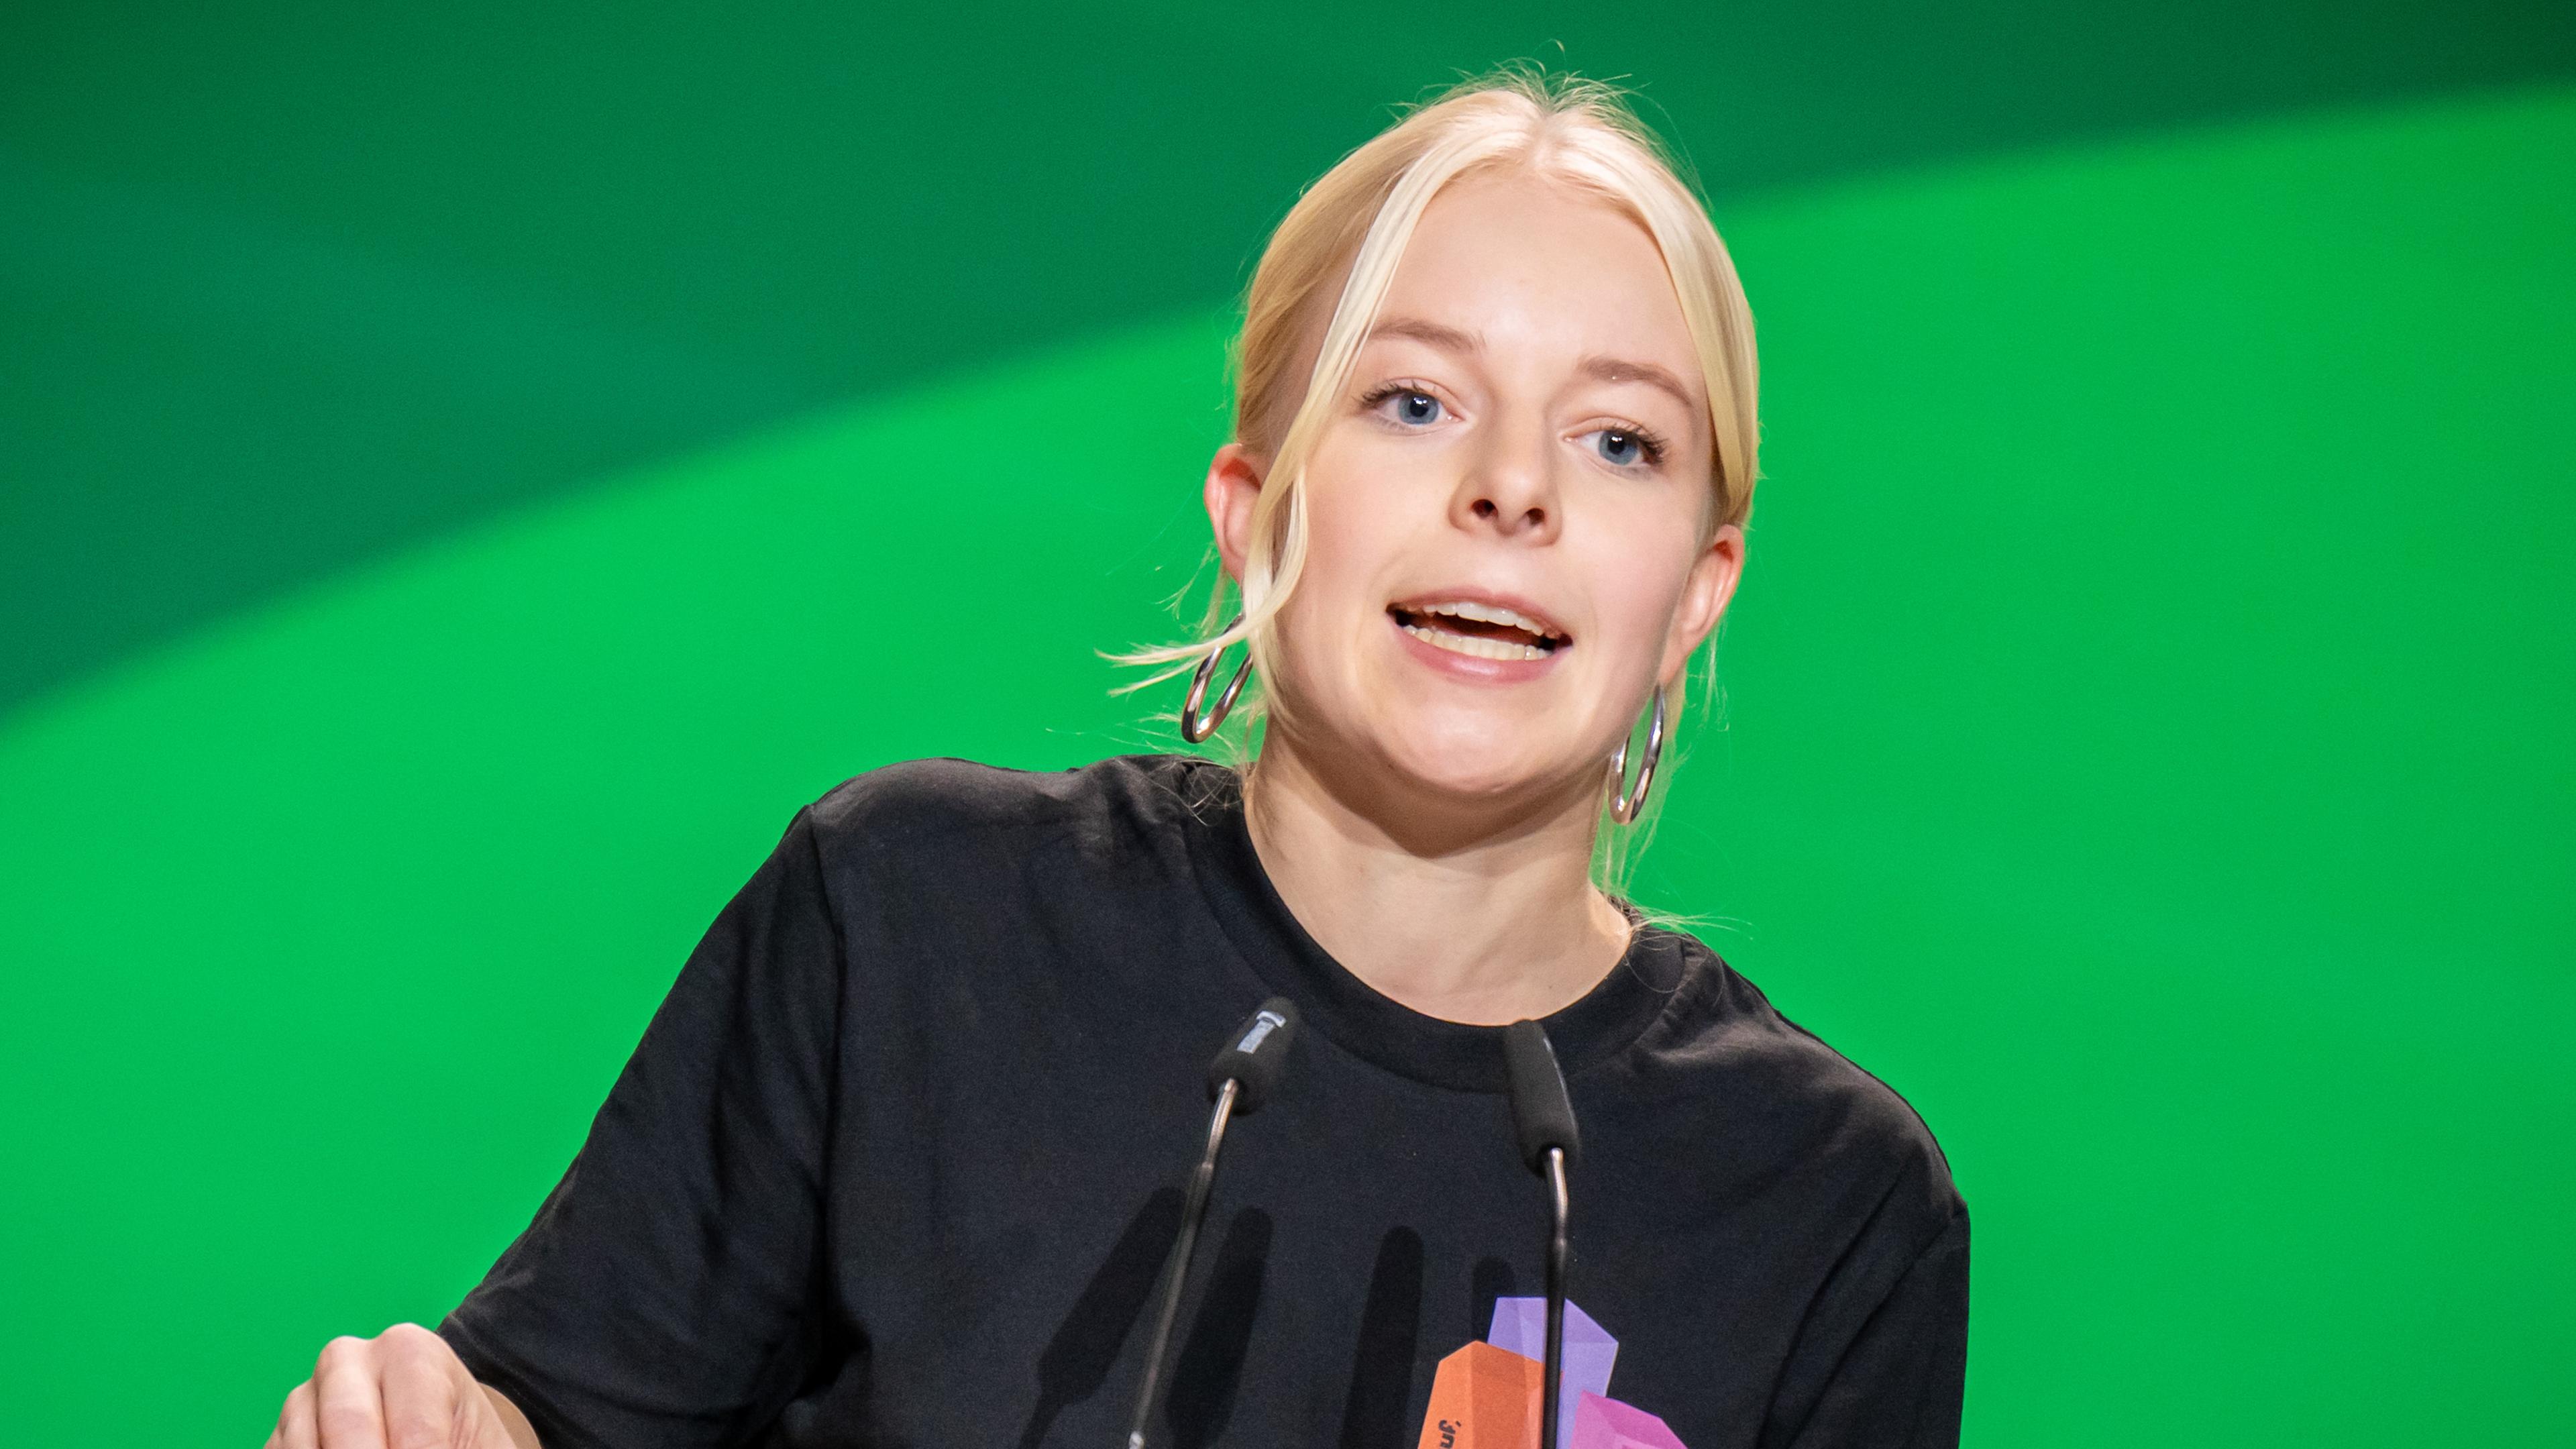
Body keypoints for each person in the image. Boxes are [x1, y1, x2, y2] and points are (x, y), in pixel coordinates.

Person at [266, 72, 1966, 1449]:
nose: (1512, 488)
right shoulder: (908, 920)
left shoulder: (1832, 1210)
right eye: (1415, 401)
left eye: (1618, 439)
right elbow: (548, 1423)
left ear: (1696, 593)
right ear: (1256, 511)